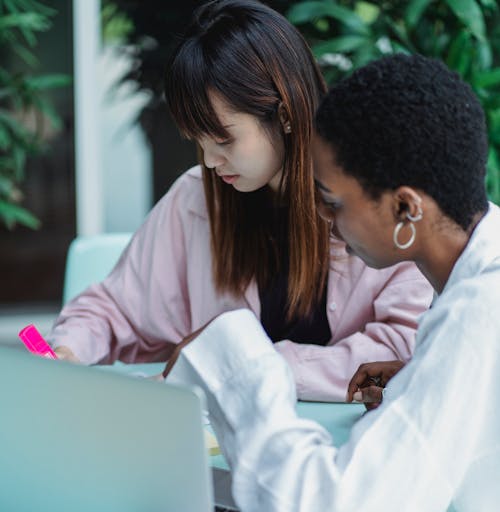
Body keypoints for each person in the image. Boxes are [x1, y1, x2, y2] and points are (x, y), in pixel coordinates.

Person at [165, 53, 500, 512]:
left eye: (333, 202)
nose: (321, 216)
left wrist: (235, 356)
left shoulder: (478, 311)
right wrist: (419, 381)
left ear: (405, 207)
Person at [48, 0, 431, 402]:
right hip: (222, 453)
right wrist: (67, 350)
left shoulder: (373, 198)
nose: (211, 161)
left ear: (284, 115)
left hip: (347, 448)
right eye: (198, 141)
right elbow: (113, 308)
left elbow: (407, 347)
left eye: (223, 139)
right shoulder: (197, 198)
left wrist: (244, 366)